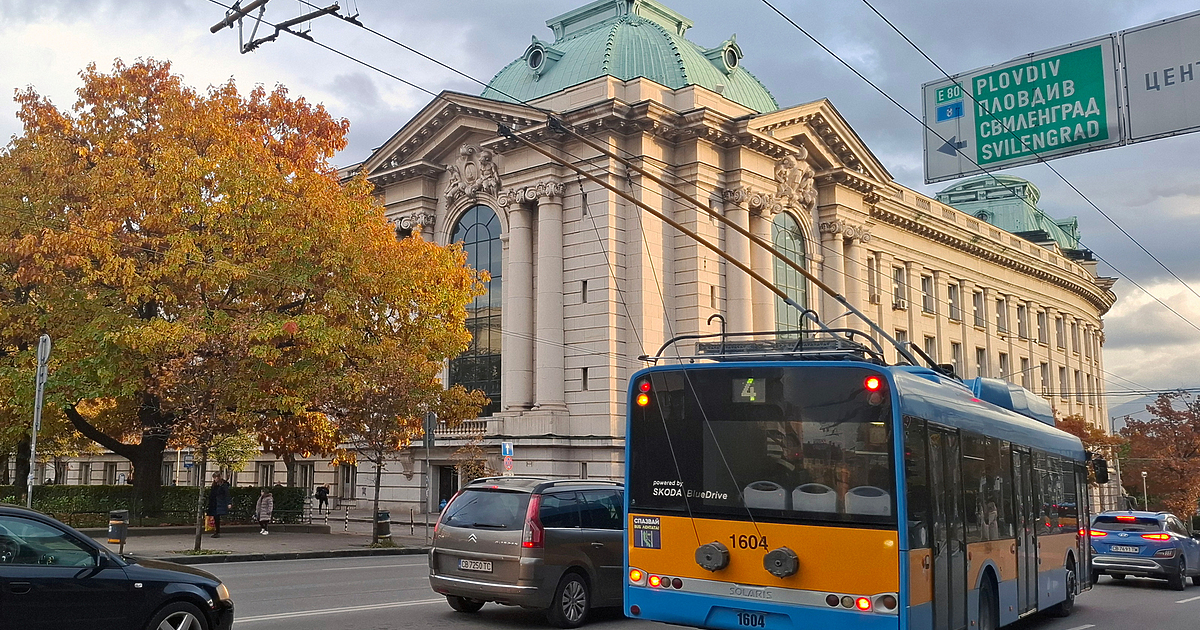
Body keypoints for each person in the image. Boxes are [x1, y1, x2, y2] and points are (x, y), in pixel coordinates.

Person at [206, 472, 232, 538]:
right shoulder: (214, 484)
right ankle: (216, 531)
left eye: (216, 477)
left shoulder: (223, 485)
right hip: (214, 502)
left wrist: (229, 503)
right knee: (215, 517)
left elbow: (227, 494)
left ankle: (217, 531)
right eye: (214, 478)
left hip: (219, 502)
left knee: (217, 517)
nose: (215, 479)